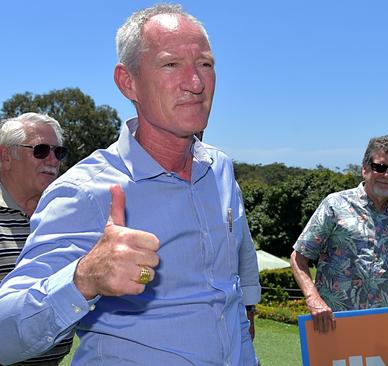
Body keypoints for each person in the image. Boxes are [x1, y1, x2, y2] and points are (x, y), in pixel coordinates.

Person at [0, 4, 261, 365]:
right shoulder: (85, 191)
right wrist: (84, 278)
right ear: (128, 82)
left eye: (205, 64)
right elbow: (4, 335)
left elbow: (233, 281)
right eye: (171, 64)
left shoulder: (219, 169)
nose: (197, 83)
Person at [290, 135, 388, 333]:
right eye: (379, 167)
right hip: (333, 327)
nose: (386, 175)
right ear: (365, 169)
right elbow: (299, 256)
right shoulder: (335, 206)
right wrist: (313, 299)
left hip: (384, 330)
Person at [0, 113, 72, 365]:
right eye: (41, 150)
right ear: (6, 156)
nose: (53, 160)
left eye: (59, 152)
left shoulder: (66, 221)